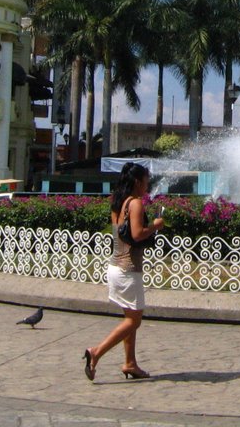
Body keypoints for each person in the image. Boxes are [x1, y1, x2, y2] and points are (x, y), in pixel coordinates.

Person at [84, 162, 164, 381]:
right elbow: (137, 234)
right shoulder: (136, 203)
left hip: (115, 265)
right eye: (146, 180)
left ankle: (130, 363)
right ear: (137, 182)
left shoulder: (118, 203)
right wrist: (156, 226)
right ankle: (96, 352)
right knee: (134, 320)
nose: (148, 185)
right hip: (128, 269)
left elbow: (121, 233)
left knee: (129, 315)